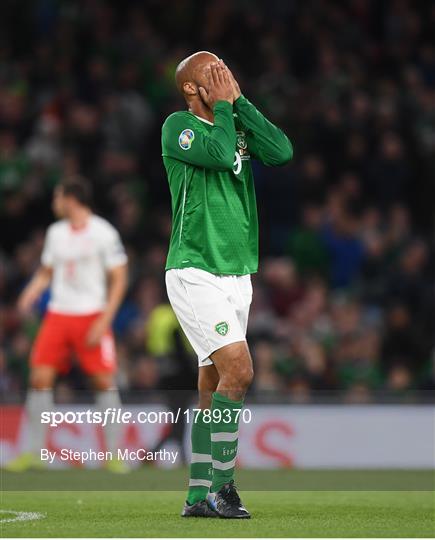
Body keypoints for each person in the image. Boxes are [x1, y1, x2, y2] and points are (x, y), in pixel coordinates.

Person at [162, 52, 293, 518]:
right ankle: (224, 487)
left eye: (226, 69)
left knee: (212, 383)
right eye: (212, 74)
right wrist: (223, 109)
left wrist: (241, 102)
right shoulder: (179, 126)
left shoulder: (230, 120)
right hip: (194, 267)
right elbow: (219, 155)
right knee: (240, 371)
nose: (224, 76)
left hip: (238, 272)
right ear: (191, 89)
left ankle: (197, 497)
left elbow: (281, 151)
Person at [5, 177, 128, 473]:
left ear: (72, 199)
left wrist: (105, 320)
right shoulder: (56, 232)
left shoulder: (103, 232)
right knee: (39, 380)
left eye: (57, 198)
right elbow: (48, 271)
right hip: (58, 314)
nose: (54, 203)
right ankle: (33, 452)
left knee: (104, 383)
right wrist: (30, 292)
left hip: (92, 314)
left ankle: (114, 455)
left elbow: (119, 278)